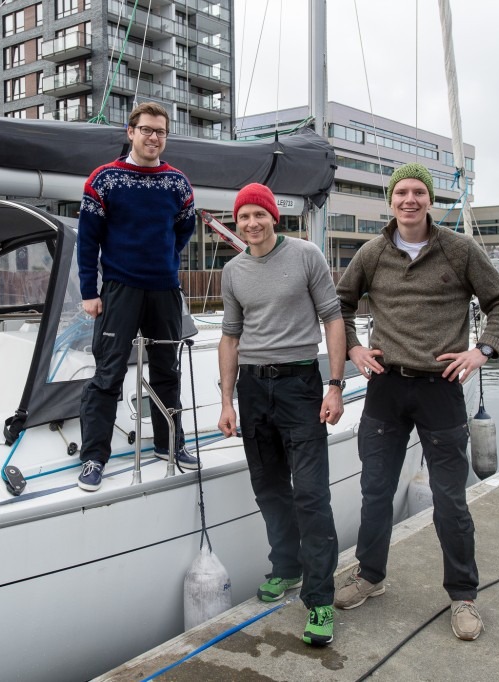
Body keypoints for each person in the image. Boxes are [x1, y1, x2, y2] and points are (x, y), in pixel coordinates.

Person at [334, 163, 499, 641]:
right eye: (402, 192)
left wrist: (483, 350)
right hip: (386, 388)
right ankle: (369, 576)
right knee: (376, 492)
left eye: (418, 192)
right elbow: (339, 303)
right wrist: (354, 348)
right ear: (391, 200)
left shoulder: (459, 251)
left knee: (450, 500)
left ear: (429, 201)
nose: (410, 200)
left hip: (441, 389)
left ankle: (463, 596)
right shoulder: (373, 253)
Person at [217, 183, 346, 647]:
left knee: (311, 495)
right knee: (270, 489)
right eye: (243, 216)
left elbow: (333, 318)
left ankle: (320, 599)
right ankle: (286, 569)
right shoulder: (232, 271)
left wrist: (335, 384)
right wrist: (227, 399)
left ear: (274, 216)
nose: (251, 223)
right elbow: (229, 336)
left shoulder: (307, 255)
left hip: (300, 385)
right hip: (253, 389)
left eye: (259, 214)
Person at [75, 102, 198, 492]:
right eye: (146, 130)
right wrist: (88, 291)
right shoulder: (104, 179)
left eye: (160, 132)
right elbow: (88, 240)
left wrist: (161, 260)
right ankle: (95, 457)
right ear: (131, 132)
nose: (153, 137)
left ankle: (168, 444)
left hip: (163, 289)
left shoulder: (178, 183)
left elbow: (183, 231)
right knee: (108, 373)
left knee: (166, 371)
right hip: (119, 289)